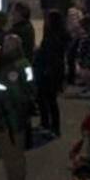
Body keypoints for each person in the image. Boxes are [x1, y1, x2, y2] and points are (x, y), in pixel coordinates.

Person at [0, 34, 34, 180]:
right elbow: (29, 90)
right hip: (20, 118)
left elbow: (11, 96)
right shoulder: (24, 64)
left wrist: (2, 118)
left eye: (6, 45)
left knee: (12, 157)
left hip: (11, 121)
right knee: (16, 156)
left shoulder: (11, 69)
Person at [35, 10, 68, 138]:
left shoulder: (52, 38)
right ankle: (49, 125)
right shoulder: (59, 36)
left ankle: (50, 126)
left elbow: (48, 55)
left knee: (47, 99)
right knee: (48, 99)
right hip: (54, 72)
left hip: (49, 72)